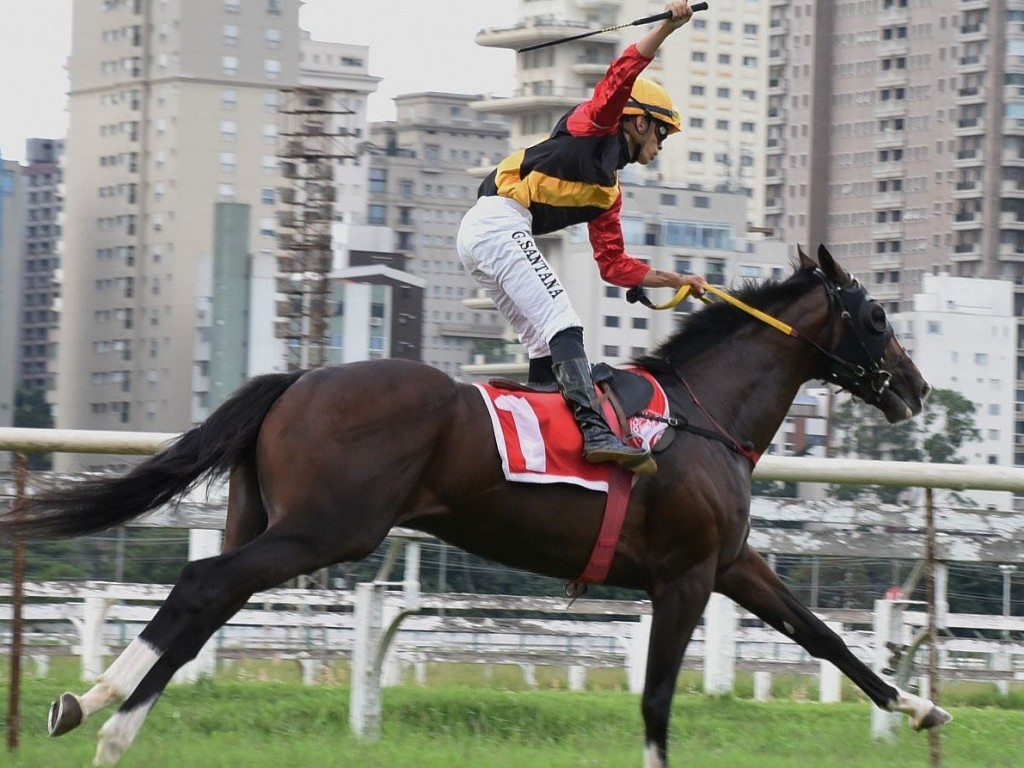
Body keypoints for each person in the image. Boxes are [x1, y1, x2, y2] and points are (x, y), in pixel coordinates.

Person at [457, 2, 707, 476]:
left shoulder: (608, 193)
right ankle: (593, 429)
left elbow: (614, 266)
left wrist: (676, 279)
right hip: (496, 223)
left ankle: (541, 435)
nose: (659, 147)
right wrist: (668, 27)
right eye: (661, 135)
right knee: (564, 324)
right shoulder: (594, 125)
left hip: (486, 235)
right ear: (638, 121)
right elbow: (622, 73)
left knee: (542, 341)